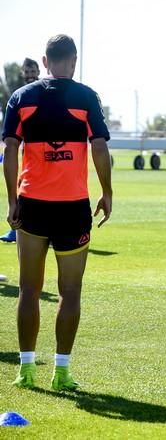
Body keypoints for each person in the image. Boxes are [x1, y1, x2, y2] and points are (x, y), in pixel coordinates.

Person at [2, 34, 112, 389]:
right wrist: (107, 192)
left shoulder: (21, 97)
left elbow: (10, 151)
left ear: (45, 62)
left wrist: (12, 200)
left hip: (32, 204)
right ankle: (62, 372)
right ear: (74, 61)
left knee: (29, 289)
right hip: (72, 207)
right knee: (70, 292)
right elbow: (99, 148)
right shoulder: (86, 97)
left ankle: (26, 369)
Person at [1, 58, 41, 244]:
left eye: (32, 71)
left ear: (39, 70)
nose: (30, 74)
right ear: (22, 73)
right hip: (24, 151)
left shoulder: (42, 93)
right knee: (18, 187)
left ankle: (26, 230)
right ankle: (16, 230)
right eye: (27, 71)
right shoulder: (19, 95)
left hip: (38, 153)